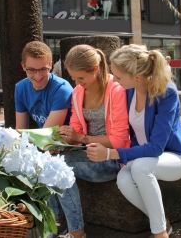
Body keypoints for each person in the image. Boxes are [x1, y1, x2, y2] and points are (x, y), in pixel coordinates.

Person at [87, 44, 181, 238]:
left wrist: (111, 154)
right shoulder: (128, 91)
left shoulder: (166, 93)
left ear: (136, 77)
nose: (115, 82)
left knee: (140, 168)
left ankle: (160, 233)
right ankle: (163, 223)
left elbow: (155, 148)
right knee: (123, 179)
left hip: (175, 157)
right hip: (145, 159)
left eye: (118, 77)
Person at [49, 45, 130, 238]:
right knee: (49, 161)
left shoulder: (116, 90)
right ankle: (56, 224)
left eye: (80, 78)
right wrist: (63, 140)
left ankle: (77, 232)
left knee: (60, 166)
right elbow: (76, 129)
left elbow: (119, 140)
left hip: (111, 159)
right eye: (74, 78)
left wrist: (81, 138)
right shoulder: (78, 93)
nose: (76, 83)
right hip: (87, 154)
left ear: (94, 69)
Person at [15, 41, 73, 129]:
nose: (38, 76)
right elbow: (20, 130)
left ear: (50, 65)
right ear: (23, 66)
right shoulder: (20, 88)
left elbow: (47, 133)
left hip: (64, 141)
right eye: (31, 70)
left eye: (43, 69)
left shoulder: (62, 89)